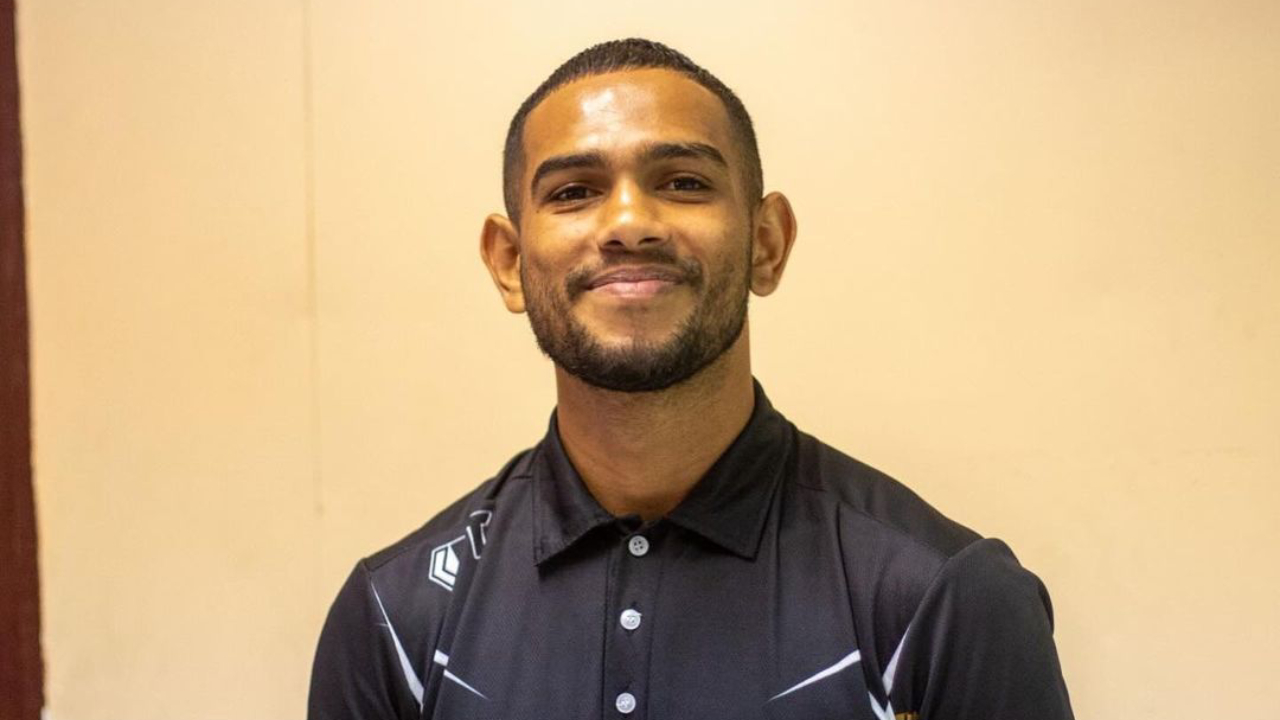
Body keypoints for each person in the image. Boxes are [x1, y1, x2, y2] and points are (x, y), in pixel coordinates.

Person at [307, 38, 1074, 720]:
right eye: (573, 191)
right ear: (509, 263)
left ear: (767, 244)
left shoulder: (942, 599)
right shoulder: (394, 622)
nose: (629, 222)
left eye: (682, 182)